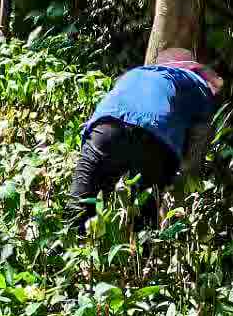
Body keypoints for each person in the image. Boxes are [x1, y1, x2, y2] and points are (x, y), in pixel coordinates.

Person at [66, 46, 224, 227]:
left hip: (105, 128)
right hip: (155, 139)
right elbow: (195, 149)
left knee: (79, 206)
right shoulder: (197, 83)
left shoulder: (135, 74)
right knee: (143, 222)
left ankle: (68, 241)